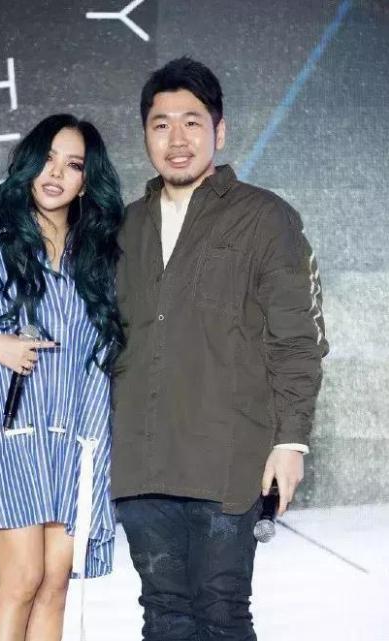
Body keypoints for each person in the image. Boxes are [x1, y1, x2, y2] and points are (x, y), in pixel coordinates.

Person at [111, 57, 329, 640]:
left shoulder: (265, 217)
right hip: (142, 462)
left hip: (228, 459)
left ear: (220, 131)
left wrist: (290, 442)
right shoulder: (123, 229)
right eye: (161, 125)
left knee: (221, 614)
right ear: (145, 135)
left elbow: (298, 339)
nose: (177, 139)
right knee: (163, 616)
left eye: (192, 122)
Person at [0, 113, 125, 641]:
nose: (56, 173)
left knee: (55, 583)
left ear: (87, 181)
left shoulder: (99, 253)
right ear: (27, 163)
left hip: (77, 438)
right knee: (22, 577)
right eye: (48, 159)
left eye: (73, 165)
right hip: (7, 433)